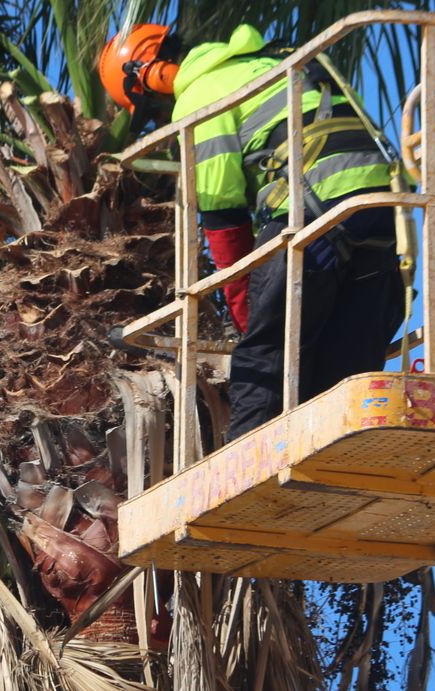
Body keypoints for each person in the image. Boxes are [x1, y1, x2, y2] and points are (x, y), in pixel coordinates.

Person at [98, 22, 405, 440]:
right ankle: (344, 456)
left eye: (152, 106)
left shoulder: (201, 93)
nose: (162, 114)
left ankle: (247, 468)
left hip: (312, 213)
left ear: (151, 73)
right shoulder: (279, 59)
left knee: (265, 358)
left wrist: (246, 315)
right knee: (345, 362)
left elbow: (224, 217)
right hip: (381, 210)